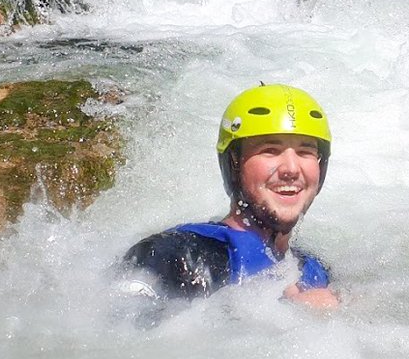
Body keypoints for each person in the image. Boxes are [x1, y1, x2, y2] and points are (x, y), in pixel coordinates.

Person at [120, 83, 340, 309]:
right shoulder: (173, 255)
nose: (292, 169)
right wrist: (291, 312)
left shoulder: (315, 270)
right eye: (270, 151)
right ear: (234, 163)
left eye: (306, 152)